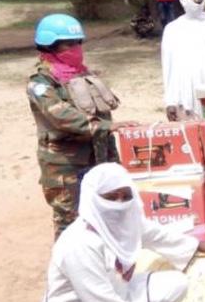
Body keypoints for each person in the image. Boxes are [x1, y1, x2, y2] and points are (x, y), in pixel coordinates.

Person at [38, 163, 205, 302]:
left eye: (125, 196)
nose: (119, 204)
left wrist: (194, 246)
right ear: (93, 198)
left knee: (175, 284)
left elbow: (155, 234)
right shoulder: (79, 243)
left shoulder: (125, 223)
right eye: (111, 197)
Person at [28, 14, 133, 237]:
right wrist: (105, 127)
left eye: (78, 43)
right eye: (68, 44)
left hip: (98, 157)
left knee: (106, 214)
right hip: (65, 166)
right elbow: (60, 116)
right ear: (50, 46)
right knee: (71, 223)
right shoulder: (41, 82)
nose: (76, 49)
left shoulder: (83, 74)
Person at [161, 0, 205, 120]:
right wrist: (170, 101)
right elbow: (168, 68)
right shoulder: (173, 29)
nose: (197, 0)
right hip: (185, 88)